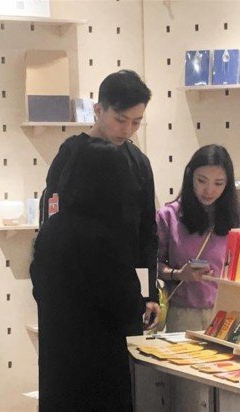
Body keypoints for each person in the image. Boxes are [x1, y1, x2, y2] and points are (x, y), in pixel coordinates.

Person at [30, 138, 148, 411]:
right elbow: (126, 304)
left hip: (58, 363)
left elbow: (39, 289)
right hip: (100, 370)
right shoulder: (108, 236)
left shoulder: (51, 230)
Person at [39, 70, 159, 332]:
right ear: (98, 110)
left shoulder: (138, 163)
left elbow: (146, 233)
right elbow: (52, 225)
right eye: (120, 119)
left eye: (136, 122)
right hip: (73, 294)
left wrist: (149, 293)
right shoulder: (71, 154)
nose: (127, 130)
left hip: (123, 294)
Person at [156, 144, 240, 333]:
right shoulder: (168, 216)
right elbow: (151, 265)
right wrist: (178, 274)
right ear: (190, 176)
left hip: (227, 314)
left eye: (218, 183)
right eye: (201, 180)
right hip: (182, 314)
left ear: (228, 184)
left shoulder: (239, 220)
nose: (209, 190)